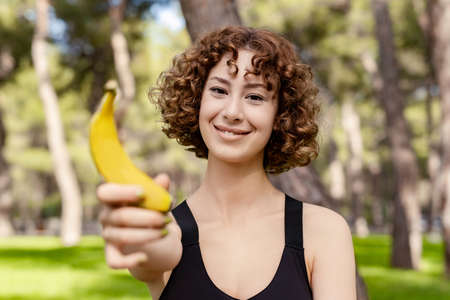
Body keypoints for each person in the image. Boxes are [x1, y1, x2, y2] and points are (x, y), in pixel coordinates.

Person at [97, 26, 356, 300]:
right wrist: (147, 249)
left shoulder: (324, 231)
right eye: (219, 90)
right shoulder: (165, 231)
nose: (232, 112)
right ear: (197, 100)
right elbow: (152, 258)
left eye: (254, 96)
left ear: (280, 116)